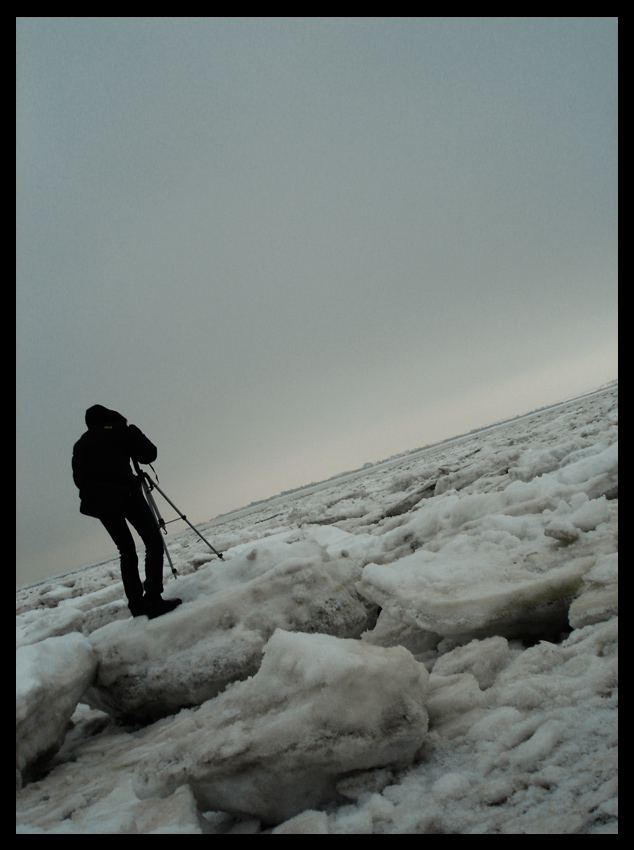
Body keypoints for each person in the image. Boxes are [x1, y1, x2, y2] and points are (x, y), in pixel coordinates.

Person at [72, 405, 182, 619]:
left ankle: (137, 605)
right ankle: (153, 599)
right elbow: (149, 454)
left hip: (99, 504)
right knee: (152, 541)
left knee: (126, 551)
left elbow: (78, 479)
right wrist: (135, 432)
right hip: (126, 495)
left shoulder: (80, 445)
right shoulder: (118, 430)